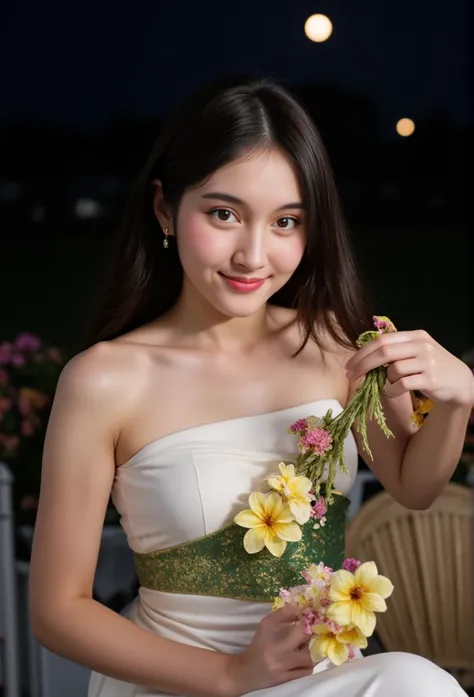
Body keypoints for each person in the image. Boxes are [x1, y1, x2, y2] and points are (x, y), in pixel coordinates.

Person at [29, 76, 472, 697]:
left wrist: (457, 400)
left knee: (410, 683)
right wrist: (230, 674)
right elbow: (57, 610)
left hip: (320, 680)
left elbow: (415, 486)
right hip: (179, 681)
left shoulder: (333, 345)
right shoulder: (105, 379)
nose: (253, 255)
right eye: (224, 214)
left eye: (286, 221)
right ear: (164, 209)